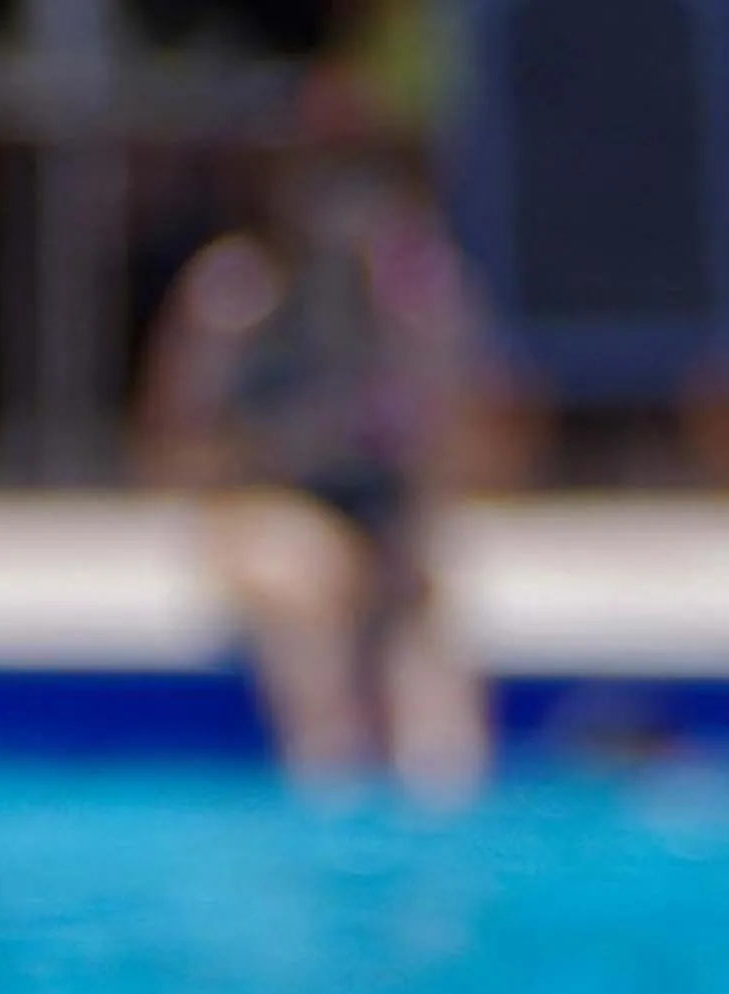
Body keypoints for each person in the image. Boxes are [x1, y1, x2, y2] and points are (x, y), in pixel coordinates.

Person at [137, 76, 491, 800]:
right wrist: (277, 455)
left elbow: (460, 442)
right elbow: (173, 448)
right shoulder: (235, 290)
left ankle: (442, 818)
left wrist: (423, 344)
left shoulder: (411, 289)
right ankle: (326, 787)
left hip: (376, 505)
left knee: (418, 639)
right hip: (268, 504)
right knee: (308, 591)